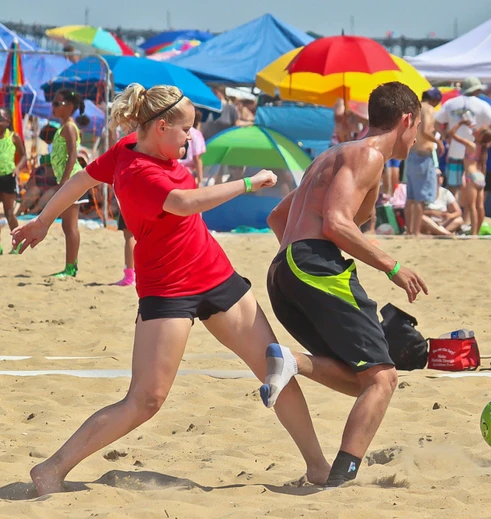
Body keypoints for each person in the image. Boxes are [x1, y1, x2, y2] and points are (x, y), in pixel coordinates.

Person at [11, 84, 331, 495]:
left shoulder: (131, 145)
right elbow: (182, 202)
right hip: (167, 288)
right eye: (185, 131)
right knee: (145, 400)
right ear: (161, 127)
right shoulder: (137, 168)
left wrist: (42, 221)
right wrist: (248, 184)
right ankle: (52, 469)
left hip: (214, 274)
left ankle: (318, 467)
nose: (190, 140)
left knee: (274, 366)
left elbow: (80, 181)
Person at [264, 82, 428, 488]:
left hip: (284, 270)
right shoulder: (370, 154)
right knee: (384, 378)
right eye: (418, 126)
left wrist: (297, 259)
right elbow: (335, 223)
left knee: (364, 379)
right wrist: (392, 266)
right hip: (314, 266)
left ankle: (294, 362)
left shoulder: (331, 155)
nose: (417, 136)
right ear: (407, 120)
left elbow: (277, 218)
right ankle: (342, 478)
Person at [435, 77, 491, 204]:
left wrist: (446, 137)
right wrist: (489, 140)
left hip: (454, 151)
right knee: (471, 194)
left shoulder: (450, 103)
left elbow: (436, 122)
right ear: (477, 90)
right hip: (474, 155)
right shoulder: (483, 105)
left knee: (453, 187)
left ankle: (452, 214)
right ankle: (466, 221)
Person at [50, 89, 89, 278]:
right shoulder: (64, 126)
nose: (53, 107)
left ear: (69, 107)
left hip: (73, 181)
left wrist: (65, 181)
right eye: (53, 102)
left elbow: (73, 153)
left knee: (70, 226)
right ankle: (70, 266)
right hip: (70, 181)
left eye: (57, 103)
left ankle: (71, 267)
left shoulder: (69, 127)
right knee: (67, 226)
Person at [404, 88, 444, 236]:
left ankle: (409, 230)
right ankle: (415, 231)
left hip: (411, 153)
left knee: (411, 197)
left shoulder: (414, 108)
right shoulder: (429, 109)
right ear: (435, 100)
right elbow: (426, 131)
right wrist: (438, 142)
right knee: (420, 197)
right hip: (423, 155)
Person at [448, 120, 491, 235]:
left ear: (481, 135)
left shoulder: (471, 145)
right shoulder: (482, 149)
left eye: (479, 129)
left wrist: (461, 123)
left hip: (471, 176)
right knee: (480, 206)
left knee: (472, 206)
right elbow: (483, 166)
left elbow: (452, 134)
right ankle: (477, 231)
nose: (476, 129)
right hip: (480, 177)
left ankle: (474, 233)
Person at [0, 107, 27, 255]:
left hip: (8, 177)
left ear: (7, 122)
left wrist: (17, 169)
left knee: (9, 213)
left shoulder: (13, 137)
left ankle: (17, 243)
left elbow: (24, 155)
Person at [178, 108, 206, 186]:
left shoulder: (178, 130)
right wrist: (200, 181)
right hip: (187, 173)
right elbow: (197, 158)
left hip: (176, 169)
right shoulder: (196, 134)